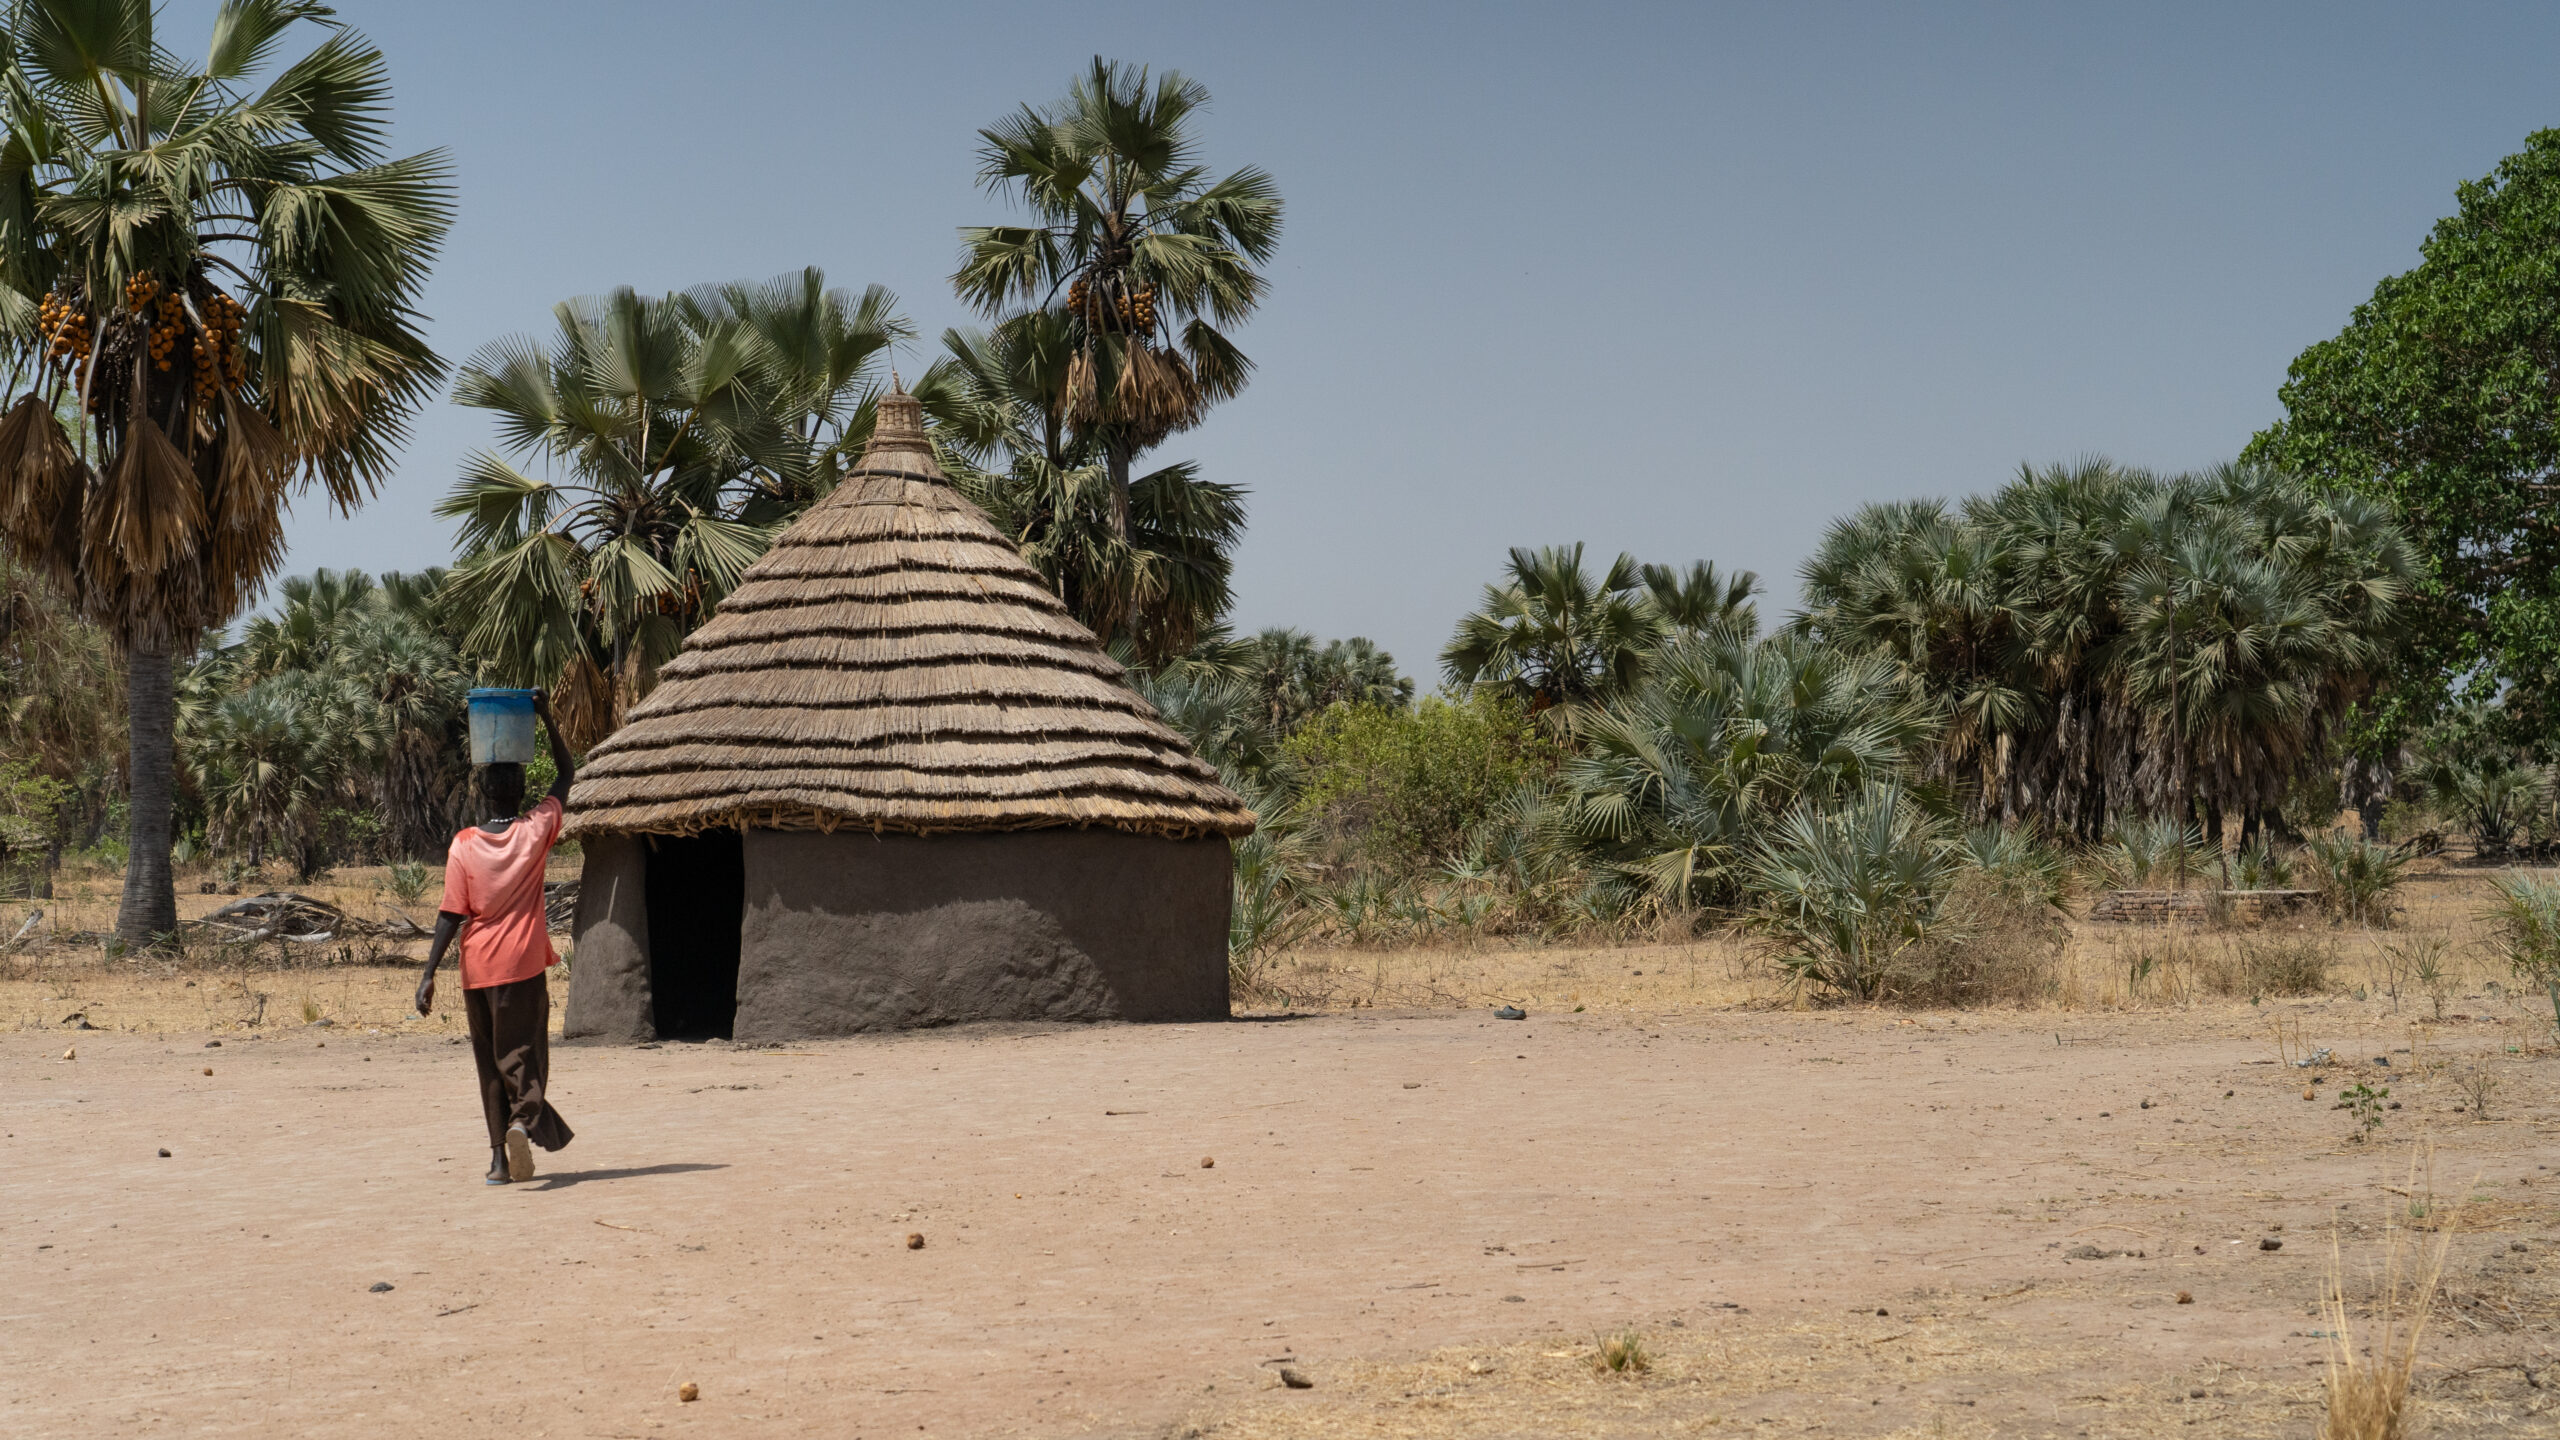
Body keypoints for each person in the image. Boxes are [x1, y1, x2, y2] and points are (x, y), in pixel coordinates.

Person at [415, 689, 577, 1185]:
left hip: (477, 969)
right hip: (522, 965)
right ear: (521, 788)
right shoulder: (535, 831)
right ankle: (525, 1124)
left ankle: (497, 1160)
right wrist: (547, 716)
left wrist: (426, 975)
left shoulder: (464, 844)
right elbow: (568, 774)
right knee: (524, 1051)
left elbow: (449, 915)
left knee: (489, 1061)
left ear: (484, 793)